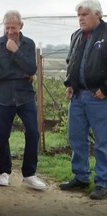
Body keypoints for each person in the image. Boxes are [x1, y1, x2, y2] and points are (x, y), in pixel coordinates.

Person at [0, 10, 47, 190]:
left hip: (25, 96)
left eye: (13, 28)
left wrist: (16, 51)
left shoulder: (28, 45)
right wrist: (20, 74)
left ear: (21, 26)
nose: (9, 32)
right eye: (7, 28)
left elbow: (31, 69)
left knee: (32, 132)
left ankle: (29, 174)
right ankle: (4, 172)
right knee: (2, 135)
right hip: (3, 96)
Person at [59, 0, 107, 200]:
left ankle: (103, 182)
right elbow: (72, 62)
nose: (81, 18)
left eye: (85, 14)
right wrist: (69, 84)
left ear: (97, 14)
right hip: (77, 96)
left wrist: (105, 89)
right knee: (76, 138)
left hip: (99, 97)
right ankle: (80, 177)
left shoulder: (105, 34)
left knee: (103, 142)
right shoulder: (76, 35)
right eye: (79, 15)